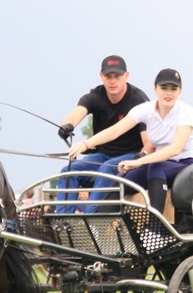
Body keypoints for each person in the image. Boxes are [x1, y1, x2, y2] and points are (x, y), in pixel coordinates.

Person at [68, 68, 193, 217]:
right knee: (120, 181)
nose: (168, 93)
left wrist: (138, 162)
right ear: (155, 89)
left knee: (156, 168)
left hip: (183, 164)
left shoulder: (186, 111)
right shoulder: (146, 109)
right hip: (158, 163)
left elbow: (175, 149)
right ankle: (98, 229)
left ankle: (154, 229)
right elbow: (115, 130)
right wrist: (86, 144)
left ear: (180, 91)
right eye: (163, 88)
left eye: (173, 89)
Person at [56, 55, 151, 213]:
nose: (112, 81)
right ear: (101, 77)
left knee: (106, 169)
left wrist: (139, 159)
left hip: (131, 155)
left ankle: (90, 220)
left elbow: (148, 143)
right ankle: (63, 223)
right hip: (103, 155)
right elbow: (74, 114)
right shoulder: (96, 96)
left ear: (126, 76)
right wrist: (67, 125)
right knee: (68, 171)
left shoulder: (139, 100)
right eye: (108, 76)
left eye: (117, 76)